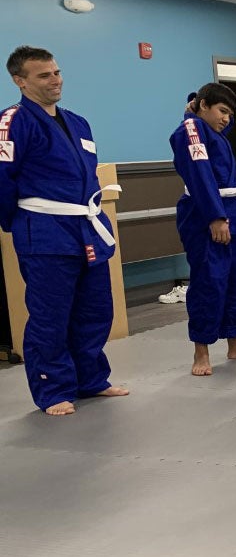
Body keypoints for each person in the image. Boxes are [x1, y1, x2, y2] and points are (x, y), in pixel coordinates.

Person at [0, 45, 129, 415]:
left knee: (94, 308)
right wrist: (19, 222)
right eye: (44, 75)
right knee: (50, 315)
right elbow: (2, 179)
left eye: (56, 72)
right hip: (44, 229)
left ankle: (90, 379)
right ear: (20, 81)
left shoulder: (78, 122)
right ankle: (53, 389)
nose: (54, 80)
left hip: (85, 226)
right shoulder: (13, 121)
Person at [170, 82, 236, 376]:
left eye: (230, 113)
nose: (226, 118)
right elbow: (201, 175)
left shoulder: (213, 135)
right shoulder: (190, 131)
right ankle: (200, 352)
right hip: (204, 214)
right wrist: (215, 216)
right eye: (222, 111)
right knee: (209, 282)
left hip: (227, 210)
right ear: (203, 106)